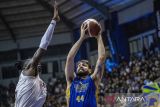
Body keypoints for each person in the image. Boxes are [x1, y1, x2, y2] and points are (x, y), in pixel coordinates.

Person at [14, 1, 60, 107]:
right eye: (31, 60)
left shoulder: (35, 80)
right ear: (26, 66)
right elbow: (43, 46)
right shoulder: (28, 72)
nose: (34, 60)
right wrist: (53, 21)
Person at [65, 22, 106, 107]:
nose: (80, 65)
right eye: (79, 65)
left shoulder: (93, 80)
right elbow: (70, 58)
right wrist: (81, 38)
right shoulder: (71, 80)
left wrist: (99, 37)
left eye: (84, 64)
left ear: (90, 70)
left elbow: (101, 58)